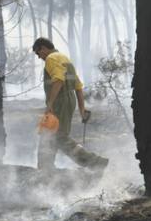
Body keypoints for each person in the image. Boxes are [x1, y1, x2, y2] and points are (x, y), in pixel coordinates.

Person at [32, 37, 108, 172]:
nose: (39, 57)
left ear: (43, 48)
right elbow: (78, 87)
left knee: (57, 136)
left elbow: (59, 80)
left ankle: (94, 161)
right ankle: (45, 168)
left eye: (38, 53)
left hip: (59, 101)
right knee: (50, 135)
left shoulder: (51, 58)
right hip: (68, 100)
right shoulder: (64, 59)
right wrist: (82, 109)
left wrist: (50, 104)